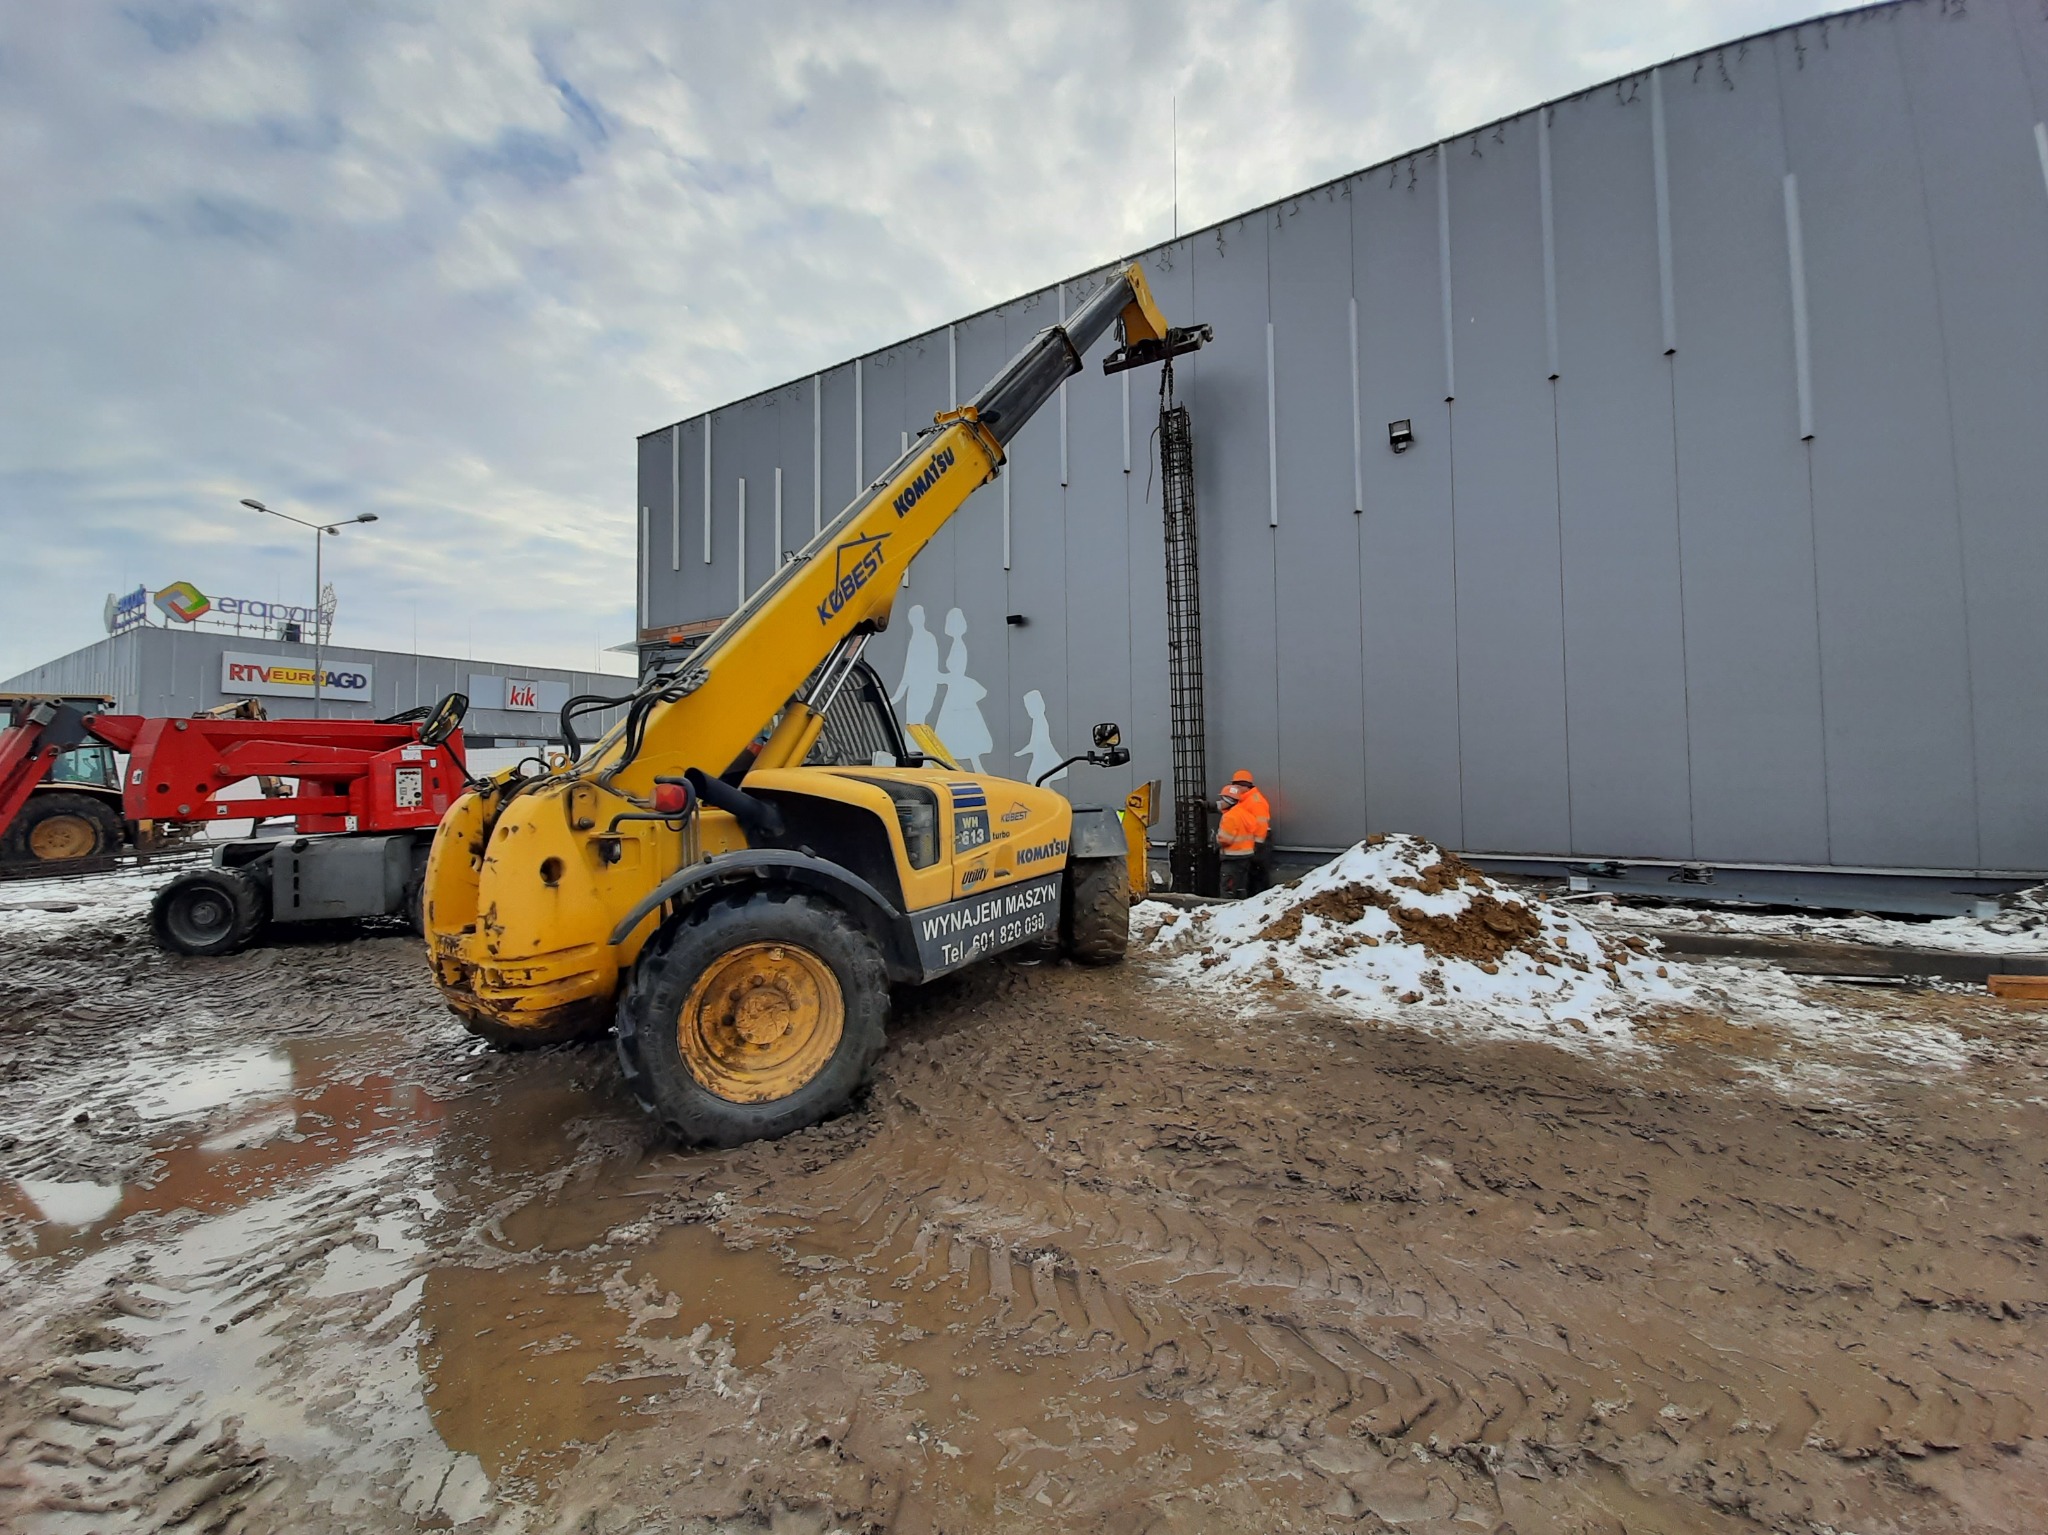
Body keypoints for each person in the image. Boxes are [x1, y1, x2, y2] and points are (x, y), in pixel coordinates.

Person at [1219, 769, 1272, 892]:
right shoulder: (1244, 799)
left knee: (1258, 875)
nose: (1233, 788)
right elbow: (1229, 806)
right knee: (1245, 878)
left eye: (1235, 785)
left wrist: (1257, 846)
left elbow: (1261, 825)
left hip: (1259, 842)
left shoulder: (1255, 801)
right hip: (1250, 843)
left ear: (1244, 786)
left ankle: (1259, 898)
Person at [1214, 788, 1259, 898]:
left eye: (1222, 799)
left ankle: (1226, 911)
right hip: (1246, 857)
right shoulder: (1246, 814)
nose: (1220, 802)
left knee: (1228, 888)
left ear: (1229, 801)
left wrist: (1215, 839)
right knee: (1241, 887)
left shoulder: (1229, 816)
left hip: (1232, 858)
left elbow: (1225, 840)